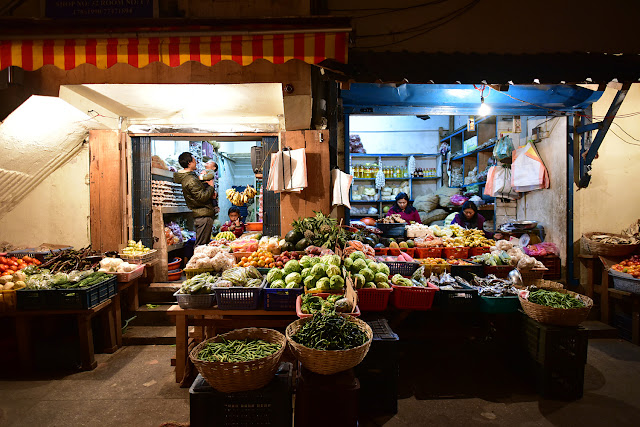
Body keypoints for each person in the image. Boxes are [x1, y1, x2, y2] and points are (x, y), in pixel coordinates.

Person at [174, 152, 217, 246]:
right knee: (201, 246)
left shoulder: (192, 177)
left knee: (202, 245)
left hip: (202, 214)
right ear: (189, 163)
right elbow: (202, 197)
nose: (196, 162)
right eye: (194, 161)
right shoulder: (191, 180)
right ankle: (197, 261)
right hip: (203, 215)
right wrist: (210, 186)